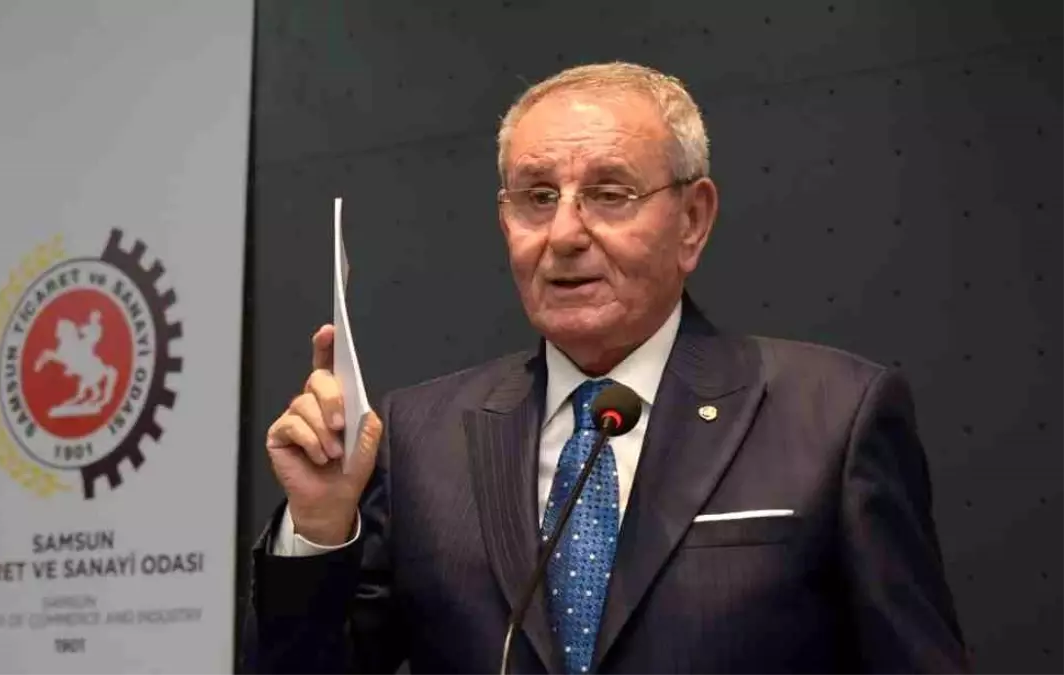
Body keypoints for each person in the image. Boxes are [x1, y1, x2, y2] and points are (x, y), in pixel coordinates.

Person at [242, 62, 969, 675]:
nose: (564, 234)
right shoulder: (420, 438)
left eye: (610, 194)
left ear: (692, 220)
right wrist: (319, 528)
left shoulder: (834, 417)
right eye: (537, 198)